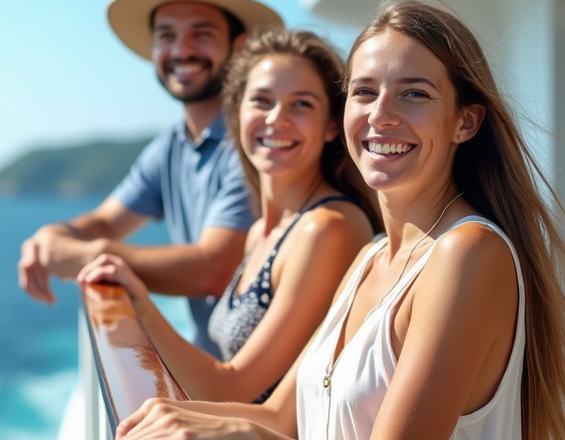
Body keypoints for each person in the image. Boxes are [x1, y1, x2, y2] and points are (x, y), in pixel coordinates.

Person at [101, 0, 565, 440]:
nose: (381, 116)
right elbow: (282, 416)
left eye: (414, 94)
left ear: (466, 122)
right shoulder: (369, 257)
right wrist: (169, 416)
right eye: (364, 92)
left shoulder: (467, 257)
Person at [76, 28, 378, 410]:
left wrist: (140, 302)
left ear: (332, 125)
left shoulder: (327, 227)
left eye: (301, 104)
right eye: (261, 101)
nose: (277, 118)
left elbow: (234, 388)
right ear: (237, 113)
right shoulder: (260, 233)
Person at [18, 0, 284, 357]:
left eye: (201, 33)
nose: (182, 50)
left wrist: (85, 256)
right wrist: (52, 235)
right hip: (212, 373)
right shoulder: (172, 146)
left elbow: (213, 268)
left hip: (264, 390)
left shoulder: (256, 142)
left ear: (241, 46)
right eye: (166, 36)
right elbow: (106, 220)